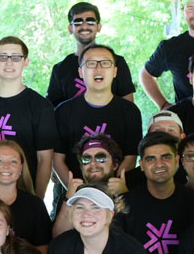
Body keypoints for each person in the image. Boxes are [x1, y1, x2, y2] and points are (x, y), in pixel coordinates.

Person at [0, 36, 56, 196]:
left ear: (26, 62)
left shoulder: (41, 106)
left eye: (16, 57)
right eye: (3, 57)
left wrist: (37, 199)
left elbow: (44, 159)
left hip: (23, 192)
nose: (9, 62)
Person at [52, 43, 142, 188]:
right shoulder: (63, 111)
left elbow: (131, 157)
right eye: (91, 63)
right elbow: (57, 158)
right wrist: (74, 190)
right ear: (81, 72)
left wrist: (114, 186)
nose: (98, 69)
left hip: (114, 193)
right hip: (76, 192)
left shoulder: (130, 111)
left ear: (115, 71)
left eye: (105, 63)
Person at [0, 139, 51, 249]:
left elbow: (43, 250)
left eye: (13, 161)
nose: (6, 166)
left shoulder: (35, 205)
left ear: (21, 167)